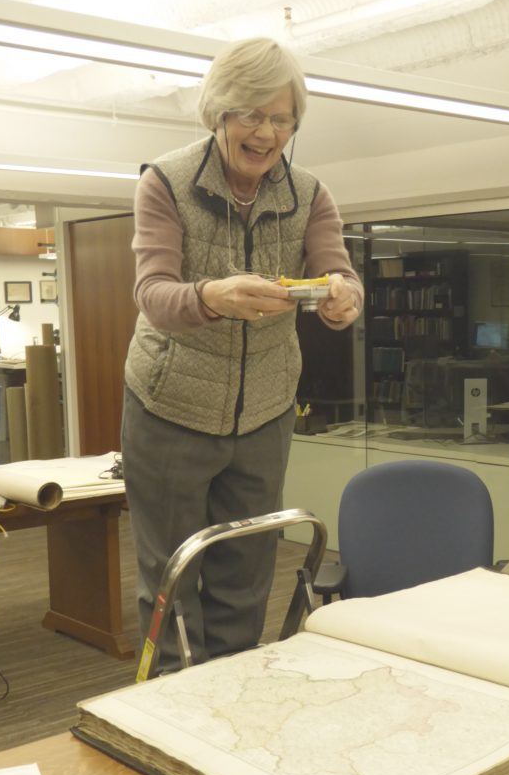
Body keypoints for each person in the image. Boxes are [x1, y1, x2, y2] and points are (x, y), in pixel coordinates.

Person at [122, 36, 363, 669]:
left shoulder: (309, 194)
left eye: (281, 118)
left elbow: (340, 273)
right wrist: (211, 296)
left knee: (247, 574)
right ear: (219, 111)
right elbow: (153, 295)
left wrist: (344, 299)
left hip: (264, 410)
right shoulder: (165, 182)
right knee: (172, 579)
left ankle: (230, 699)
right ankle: (170, 713)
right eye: (251, 115)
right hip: (168, 404)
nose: (266, 133)